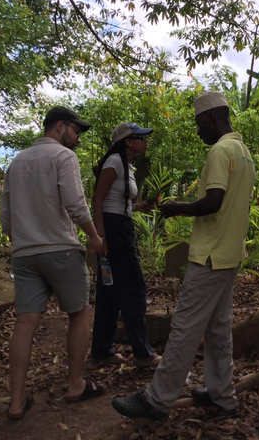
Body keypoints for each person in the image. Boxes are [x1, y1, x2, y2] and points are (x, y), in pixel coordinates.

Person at [111, 91, 255, 420]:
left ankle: (156, 400)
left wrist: (177, 208)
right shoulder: (243, 152)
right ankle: (222, 395)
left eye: (199, 124)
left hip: (210, 255)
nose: (198, 131)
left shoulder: (221, 151)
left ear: (213, 120)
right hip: (230, 254)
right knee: (218, 329)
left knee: (185, 327)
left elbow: (213, 202)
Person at [0, 106, 106, 420]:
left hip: (24, 253)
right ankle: (75, 384)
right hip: (60, 249)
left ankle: (16, 402)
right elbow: (75, 203)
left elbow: (6, 216)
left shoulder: (16, 162)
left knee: (25, 322)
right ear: (60, 126)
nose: (78, 139)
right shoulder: (63, 157)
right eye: (76, 131)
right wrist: (94, 238)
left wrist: (21, 239)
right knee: (78, 314)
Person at [91, 122, 162, 368]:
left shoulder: (126, 165)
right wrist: (100, 236)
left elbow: (115, 200)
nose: (145, 140)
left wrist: (137, 207)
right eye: (140, 136)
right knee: (135, 289)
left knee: (110, 290)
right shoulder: (113, 162)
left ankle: (101, 350)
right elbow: (98, 199)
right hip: (114, 230)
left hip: (120, 226)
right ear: (128, 141)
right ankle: (143, 353)